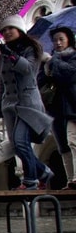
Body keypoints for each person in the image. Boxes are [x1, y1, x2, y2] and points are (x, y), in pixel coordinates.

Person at [0, 14, 54, 190]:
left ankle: (30, 181)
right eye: (4, 30)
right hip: (9, 105)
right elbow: (2, 81)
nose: (6, 32)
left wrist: (11, 55)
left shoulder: (31, 49)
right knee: (17, 146)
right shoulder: (2, 56)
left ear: (19, 29)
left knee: (21, 142)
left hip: (27, 103)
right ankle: (43, 172)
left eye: (10, 28)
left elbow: (28, 69)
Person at [39, 25, 76, 189]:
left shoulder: (73, 56)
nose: (58, 43)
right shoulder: (48, 61)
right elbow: (40, 81)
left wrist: (52, 61)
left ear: (68, 40)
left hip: (73, 105)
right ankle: (71, 180)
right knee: (63, 146)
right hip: (56, 108)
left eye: (61, 39)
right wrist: (46, 67)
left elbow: (70, 74)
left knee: (73, 140)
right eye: (55, 40)